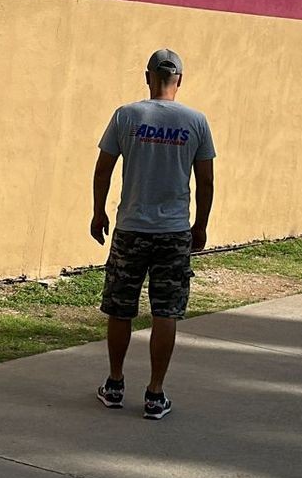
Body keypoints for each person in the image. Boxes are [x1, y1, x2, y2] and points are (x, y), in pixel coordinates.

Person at [90, 48, 216, 420]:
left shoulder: (127, 116)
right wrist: (201, 225)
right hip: (174, 231)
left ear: (147, 77)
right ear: (179, 80)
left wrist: (98, 212)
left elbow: (103, 170)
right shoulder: (196, 121)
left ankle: (114, 384)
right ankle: (155, 394)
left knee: (120, 309)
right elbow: (206, 180)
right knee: (167, 311)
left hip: (131, 228)